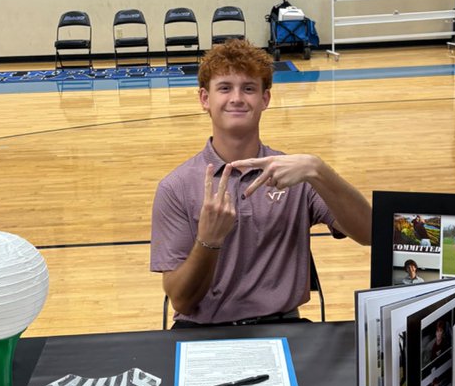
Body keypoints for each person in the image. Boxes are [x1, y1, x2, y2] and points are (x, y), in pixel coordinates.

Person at [150, 38, 372, 326]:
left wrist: (318, 170)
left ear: (265, 99)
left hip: (284, 326)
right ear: (205, 99)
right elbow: (182, 301)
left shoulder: (298, 174)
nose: (237, 98)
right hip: (203, 331)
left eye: (249, 88)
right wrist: (209, 240)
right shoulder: (176, 187)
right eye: (225, 88)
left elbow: (369, 233)